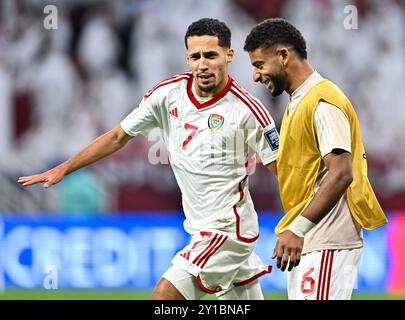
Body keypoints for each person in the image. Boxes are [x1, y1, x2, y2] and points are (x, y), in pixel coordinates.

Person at [18, 18, 279, 300]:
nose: (202, 64)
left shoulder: (248, 111)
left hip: (228, 232)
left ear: (229, 55)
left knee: (162, 300)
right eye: (195, 56)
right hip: (201, 229)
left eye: (211, 55)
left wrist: (297, 227)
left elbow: (284, 172)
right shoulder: (168, 95)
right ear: (187, 58)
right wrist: (64, 169)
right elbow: (118, 136)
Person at [243, 18, 388, 300]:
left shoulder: (322, 100)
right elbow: (303, 172)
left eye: (259, 65)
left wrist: (298, 228)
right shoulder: (298, 102)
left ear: (283, 56)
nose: (256, 76)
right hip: (312, 241)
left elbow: (341, 173)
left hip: (327, 240)